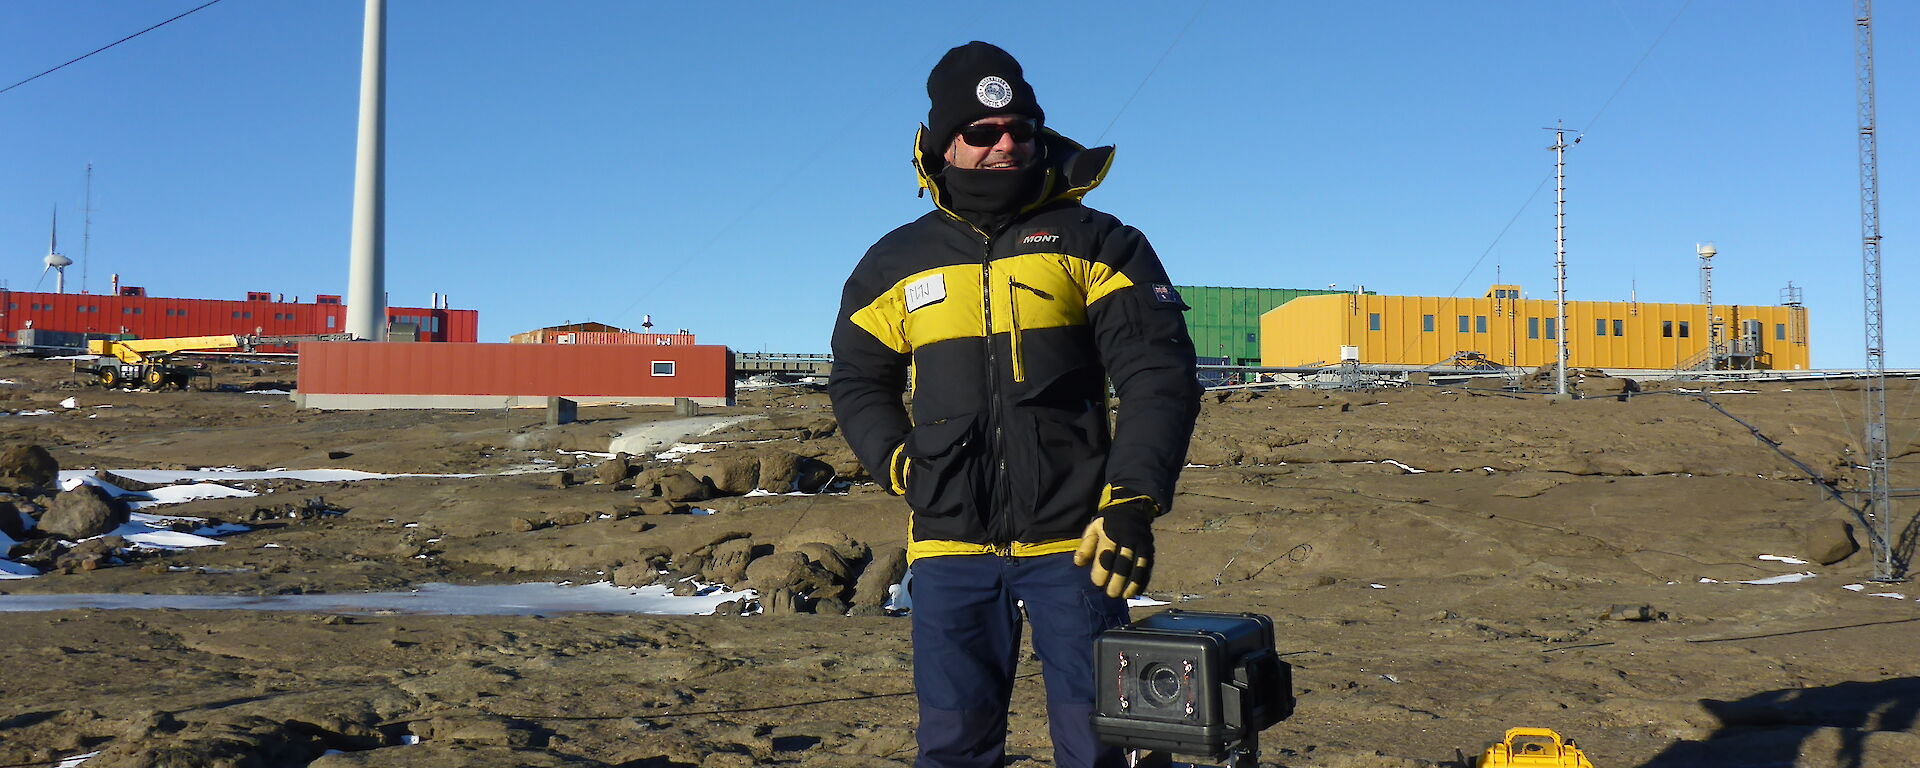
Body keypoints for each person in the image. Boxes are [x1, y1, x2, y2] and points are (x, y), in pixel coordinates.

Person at [828, 41, 1200, 768]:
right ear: (942, 146)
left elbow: (1159, 374)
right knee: (953, 747)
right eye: (982, 132)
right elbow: (856, 379)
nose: (1005, 144)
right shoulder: (894, 262)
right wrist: (902, 466)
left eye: (1020, 130)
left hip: (1078, 547)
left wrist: (1131, 501)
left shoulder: (1099, 242)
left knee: (1103, 747)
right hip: (948, 549)